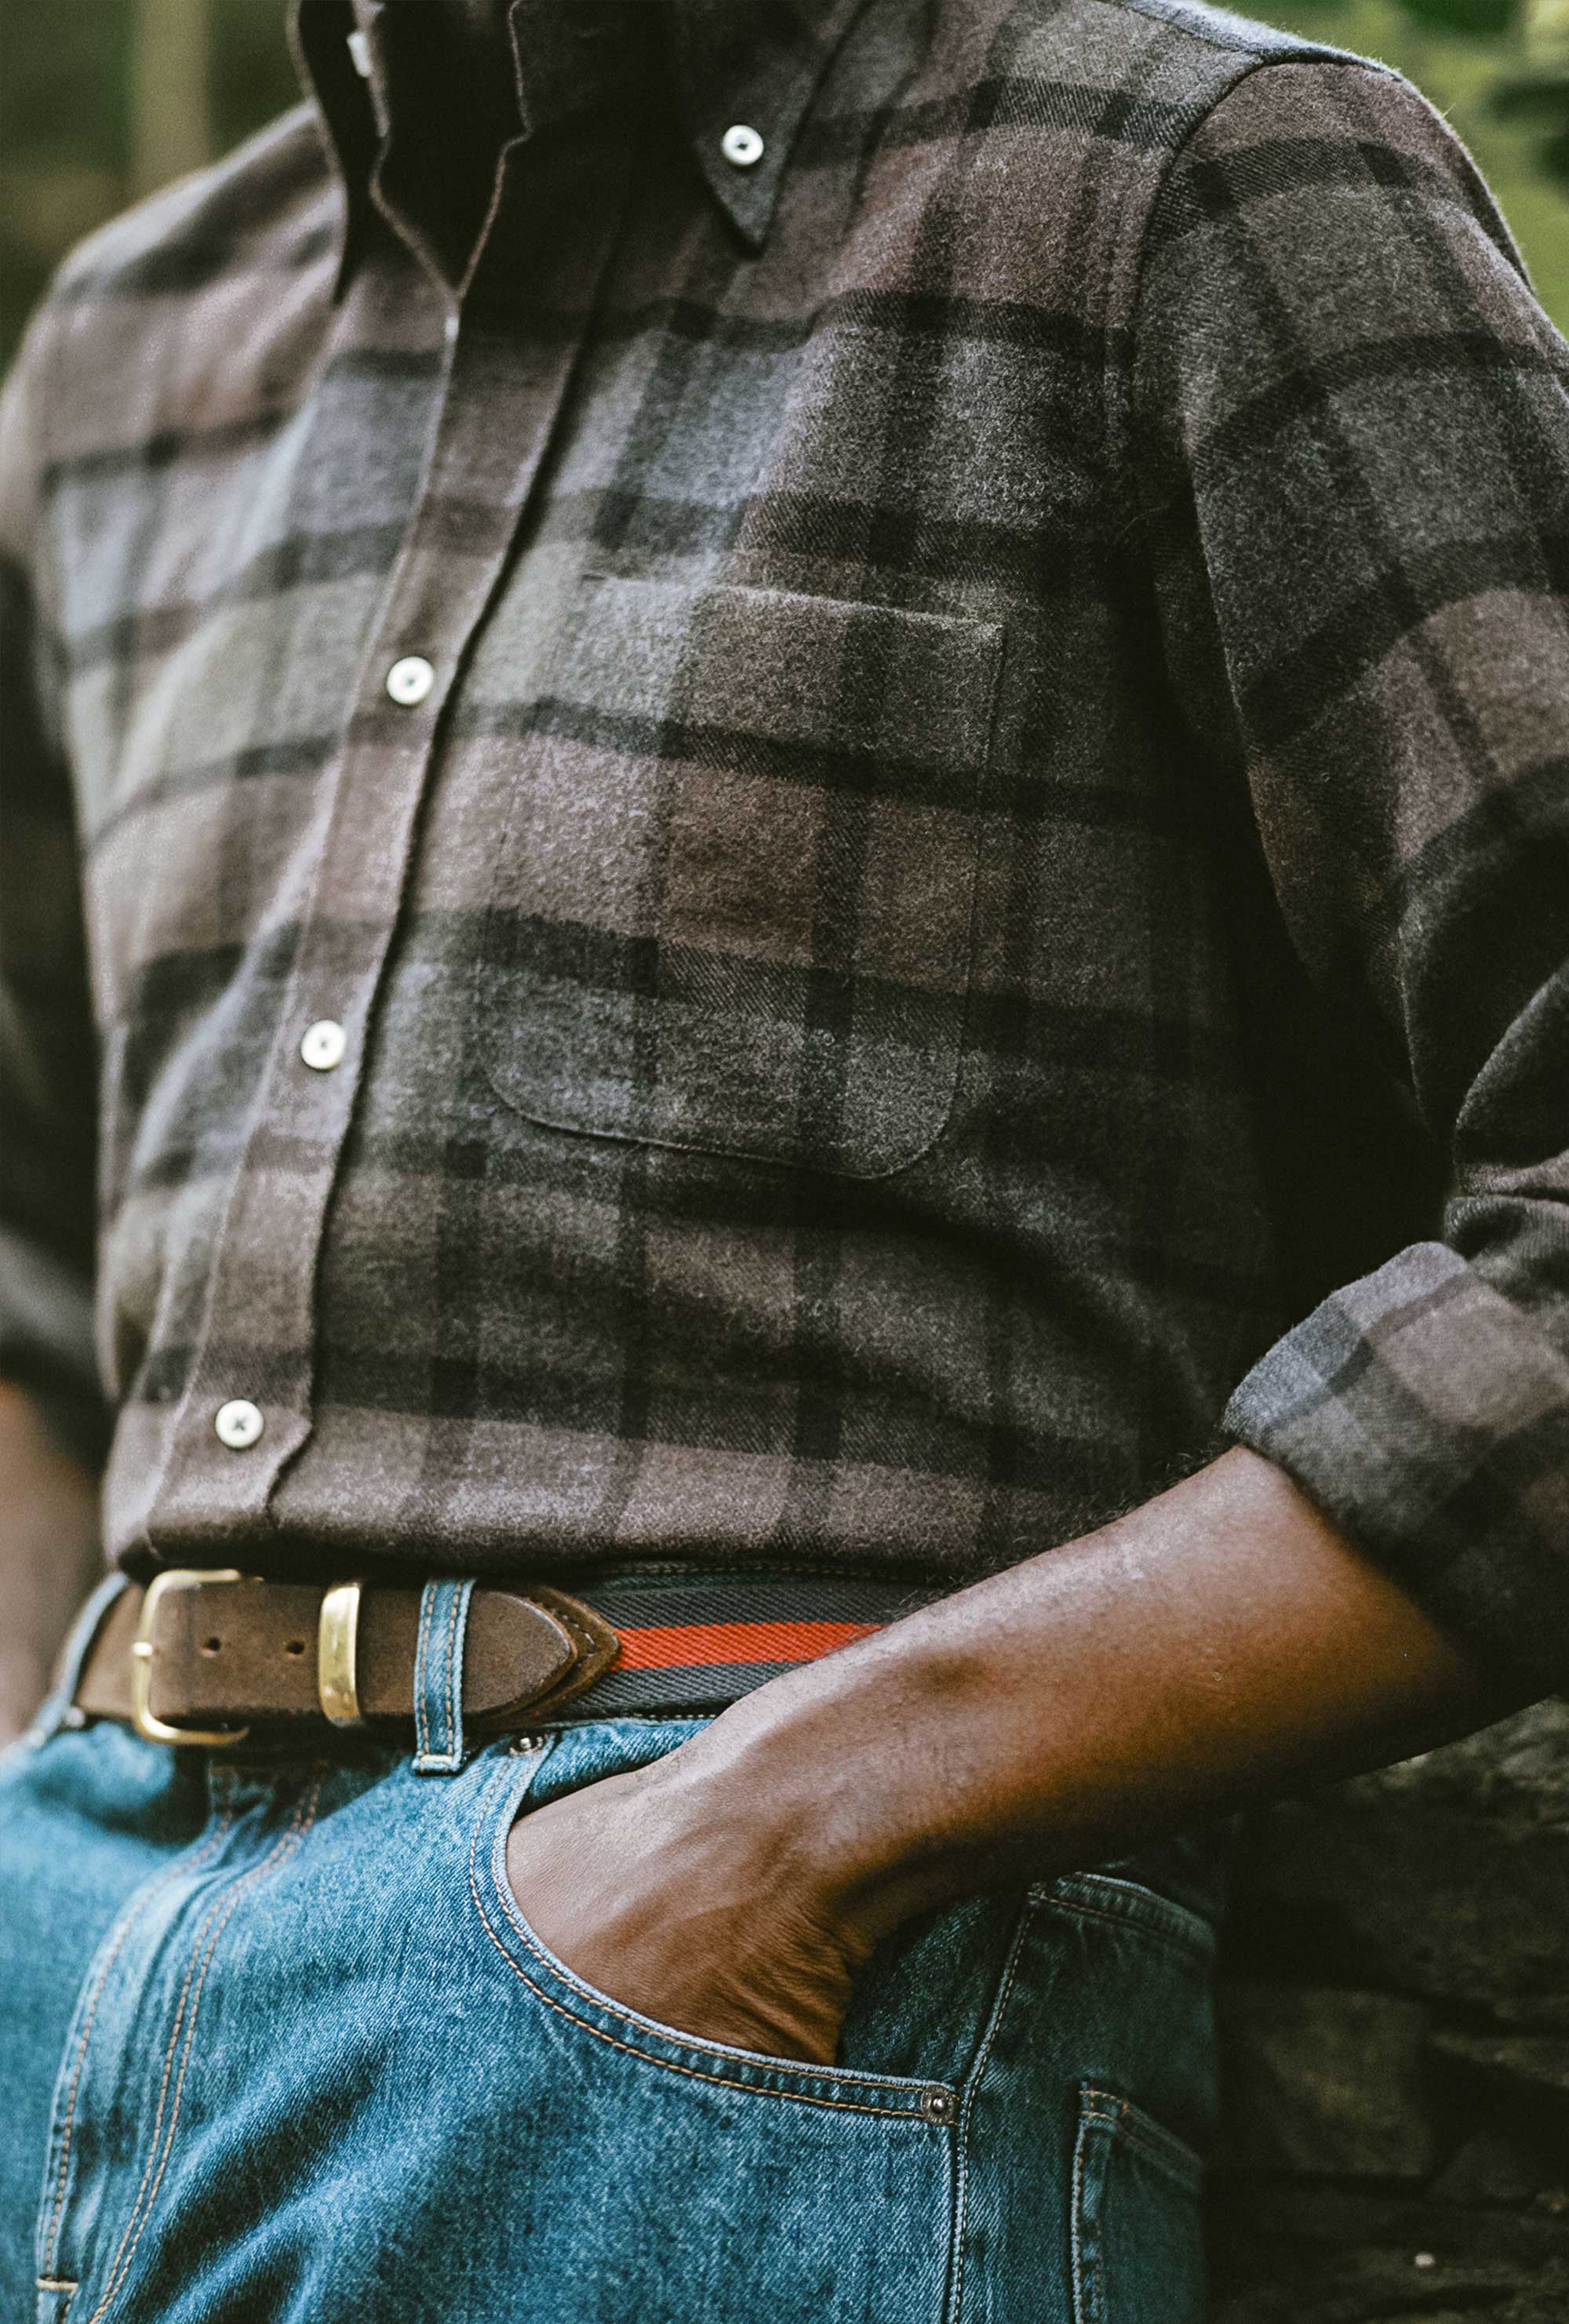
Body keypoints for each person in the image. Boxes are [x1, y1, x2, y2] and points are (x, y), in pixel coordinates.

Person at [2, 0, 1565, 2315]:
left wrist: (788, 1830)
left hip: (717, 2009)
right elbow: (32, 1237)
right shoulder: (128, 347)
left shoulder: (1191, 182)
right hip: (64, 1934)